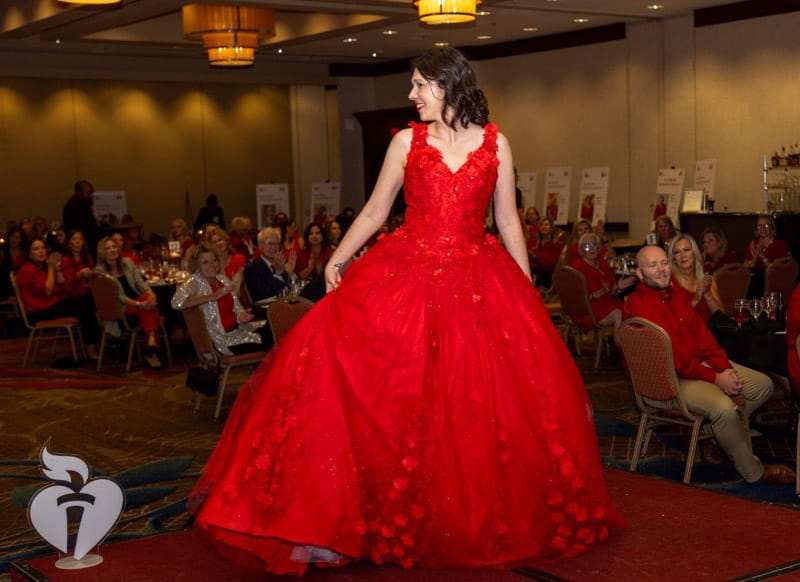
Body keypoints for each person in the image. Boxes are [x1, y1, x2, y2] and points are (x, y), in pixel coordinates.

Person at [190, 47, 623, 576]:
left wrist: (525, 286)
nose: (412, 95)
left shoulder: (496, 142)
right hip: (407, 276)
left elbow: (508, 220)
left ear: (446, 86)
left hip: (478, 280)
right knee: (384, 390)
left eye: (419, 85)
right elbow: (376, 209)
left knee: (476, 404)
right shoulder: (405, 142)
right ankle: (353, 512)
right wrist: (339, 258)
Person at [624, 245, 793, 483]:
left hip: (694, 367)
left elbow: (704, 338)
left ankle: (711, 434)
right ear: (639, 274)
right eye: (652, 265)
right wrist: (716, 378)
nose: (661, 269)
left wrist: (723, 367)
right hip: (667, 381)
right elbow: (677, 361)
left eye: (663, 263)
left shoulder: (675, 296)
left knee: (762, 385)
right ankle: (754, 472)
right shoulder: (640, 306)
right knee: (724, 408)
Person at [172, 244, 268, 354]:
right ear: (197, 266)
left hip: (238, 330)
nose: (212, 265)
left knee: (273, 329)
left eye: (214, 260)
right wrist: (212, 297)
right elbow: (176, 302)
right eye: (205, 262)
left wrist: (240, 316)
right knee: (270, 341)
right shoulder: (195, 281)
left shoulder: (222, 280)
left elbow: (236, 309)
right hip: (221, 341)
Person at [16, 239, 99, 359]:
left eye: (43, 248)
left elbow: (60, 286)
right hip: (38, 311)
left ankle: (93, 346)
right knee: (86, 303)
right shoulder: (27, 269)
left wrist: (57, 269)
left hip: (51, 305)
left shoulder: (41, 267)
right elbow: (48, 291)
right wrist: (51, 267)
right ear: (29, 254)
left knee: (87, 304)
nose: (41, 251)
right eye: (36, 249)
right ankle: (94, 347)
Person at [95, 237, 164, 368]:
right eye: (107, 248)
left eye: (114, 247)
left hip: (140, 303)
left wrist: (152, 295)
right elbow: (118, 296)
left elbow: (140, 283)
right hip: (122, 308)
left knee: (146, 300)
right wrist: (139, 304)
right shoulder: (100, 271)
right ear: (102, 252)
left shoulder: (128, 263)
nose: (112, 250)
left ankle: (151, 346)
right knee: (150, 309)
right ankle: (151, 345)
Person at [571, 233, 635, 339]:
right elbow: (578, 300)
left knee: (632, 308)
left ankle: (633, 346)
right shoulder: (577, 268)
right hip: (588, 310)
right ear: (582, 250)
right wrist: (602, 291)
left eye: (595, 244)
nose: (592, 248)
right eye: (587, 246)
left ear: (599, 247)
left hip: (607, 304)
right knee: (618, 314)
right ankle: (621, 349)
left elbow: (613, 292)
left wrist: (619, 287)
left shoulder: (604, 263)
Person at [669, 234, 724, 322]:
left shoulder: (708, 279)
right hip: (686, 333)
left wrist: (707, 294)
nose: (683, 255)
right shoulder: (670, 283)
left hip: (711, 331)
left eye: (686, 250)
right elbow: (677, 320)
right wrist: (696, 299)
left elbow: (721, 316)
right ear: (674, 259)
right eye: (677, 252)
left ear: (694, 254)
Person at [243, 227, 296, 304]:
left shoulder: (283, 262)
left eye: (276, 243)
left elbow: (297, 291)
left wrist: (291, 273)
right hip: (266, 311)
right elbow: (263, 296)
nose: (273, 247)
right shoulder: (252, 268)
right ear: (260, 246)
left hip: (287, 307)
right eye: (270, 244)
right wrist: (278, 273)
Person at [62, 180, 99, 251]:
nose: (91, 196)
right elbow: (81, 229)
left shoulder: (84, 205)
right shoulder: (73, 207)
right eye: (88, 193)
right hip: (82, 246)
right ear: (79, 192)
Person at [528, 216, 563, 290]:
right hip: (533, 272)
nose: (543, 227)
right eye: (541, 225)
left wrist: (535, 257)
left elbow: (549, 265)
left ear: (551, 228)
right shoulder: (535, 243)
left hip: (546, 275)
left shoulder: (557, 245)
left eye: (546, 224)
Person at [60, 230, 96, 298]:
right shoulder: (65, 260)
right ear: (68, 243)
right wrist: (80, 274)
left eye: (80, 239)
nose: (77, 241)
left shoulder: (88, 257)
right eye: (74, 239)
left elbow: (94, 276)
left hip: (89, 293)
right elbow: (68, 282)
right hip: (73, 296)